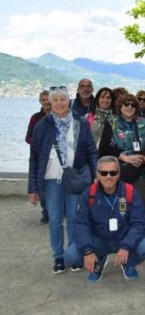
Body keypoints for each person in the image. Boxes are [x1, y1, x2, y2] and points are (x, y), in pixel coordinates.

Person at [28, 86, 98, 274]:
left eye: (63, 99)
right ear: (50, 102)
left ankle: (73, 255)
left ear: (69, 101)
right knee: (55, 219)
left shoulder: (80, 122)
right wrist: (33, 188)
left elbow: (91, 151)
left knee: (75, 219)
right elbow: (34, 157)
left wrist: (97, 175)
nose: (59, 103)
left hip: (75, 178)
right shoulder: (42, 125)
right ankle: (58, 256)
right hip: (51, 180)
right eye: (55, 100)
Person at [64, 156, 145, 283]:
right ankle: (99, 262)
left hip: (123, 238)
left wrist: (126, 246)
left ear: (118, 174)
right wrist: (88, 251)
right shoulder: (89, 194)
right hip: (99, 240)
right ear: (97, 174)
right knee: (71, 255)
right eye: (104, 173)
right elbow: (81, 224)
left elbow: (139, 223)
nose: (108, 176)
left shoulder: (129, 191)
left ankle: (128, 263)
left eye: (113, 173)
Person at [99, 93, 145, 212]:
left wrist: (141, 158)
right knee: (121, 205)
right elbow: (104, 147)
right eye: (126, 104)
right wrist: (125, 158)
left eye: (133, 105)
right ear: (120, 106)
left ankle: (140, 224)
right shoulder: (112, 121)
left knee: (140, 205)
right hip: (119, 171)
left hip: (140, 171)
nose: (129, 107)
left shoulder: (142, 122)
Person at [25, 89, 51, 223]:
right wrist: (38, 144)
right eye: (44, 100)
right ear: (40, 102)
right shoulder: (35, 118)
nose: (47, 102)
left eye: (48, 99)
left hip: (54, 156)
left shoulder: (59, 116)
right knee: (42, 184)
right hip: (40, 155)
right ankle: (45, 211)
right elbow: (28, 137)